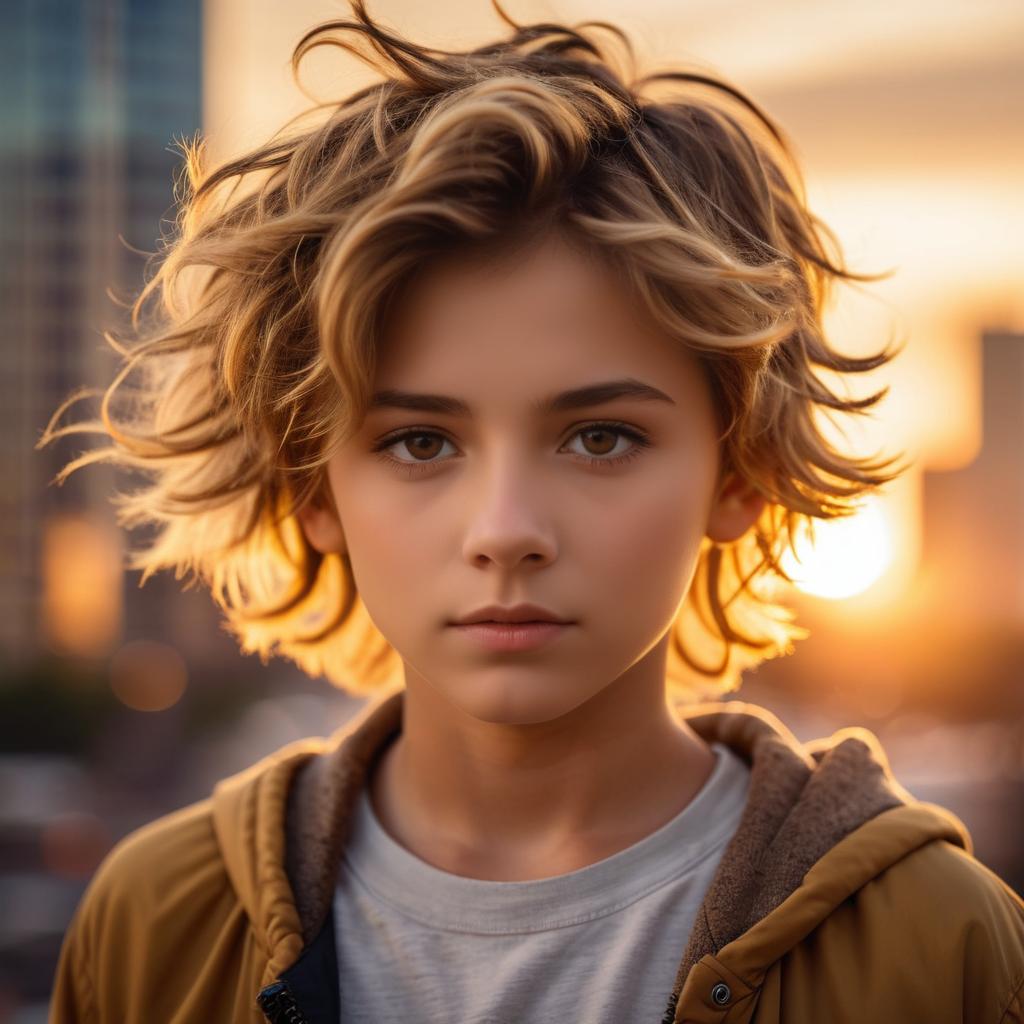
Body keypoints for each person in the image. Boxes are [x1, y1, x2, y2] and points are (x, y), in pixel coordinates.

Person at [43, 2, 1024, 1021]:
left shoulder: (935, 945)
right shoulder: (156, 924)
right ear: (312, 484)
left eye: (599, 436)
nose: (505, 528)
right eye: (419, 442)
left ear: (738, 471)